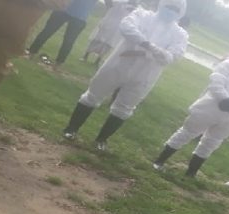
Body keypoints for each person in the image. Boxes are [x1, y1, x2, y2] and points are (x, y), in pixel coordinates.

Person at [61, 0, 188, 150]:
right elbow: (127, 28)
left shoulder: (180, 34)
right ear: (162, 5)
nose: (171, 11)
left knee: (125, 107)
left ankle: (101, 140)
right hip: (119, 63)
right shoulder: (142, 15)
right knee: (93, 95)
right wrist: (150, 47)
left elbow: (173, 56)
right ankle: (71, 129)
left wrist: (145, 49)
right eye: (169, 6)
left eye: (175, 9)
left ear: (181, 12)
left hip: (145, 74)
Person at [151, 41, 229, 176]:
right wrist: (225, 99)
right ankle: (160, 160)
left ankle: (191, 172)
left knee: (212, 142)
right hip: (210, 107)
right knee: (187, 132)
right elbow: (216, 82)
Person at [27, 0, 99, 67]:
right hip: (63, 9)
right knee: (47, 32)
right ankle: (31, 52)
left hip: (80, 16)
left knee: (68, 41)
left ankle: (58, 63)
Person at [82, 0, 139, 67]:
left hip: (117, 28)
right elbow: (109, 4)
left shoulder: (134, 9)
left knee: (108, 44)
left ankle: (98, 61)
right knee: (97, 39)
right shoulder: (119, 2)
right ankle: (85, 56)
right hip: (108, 23)